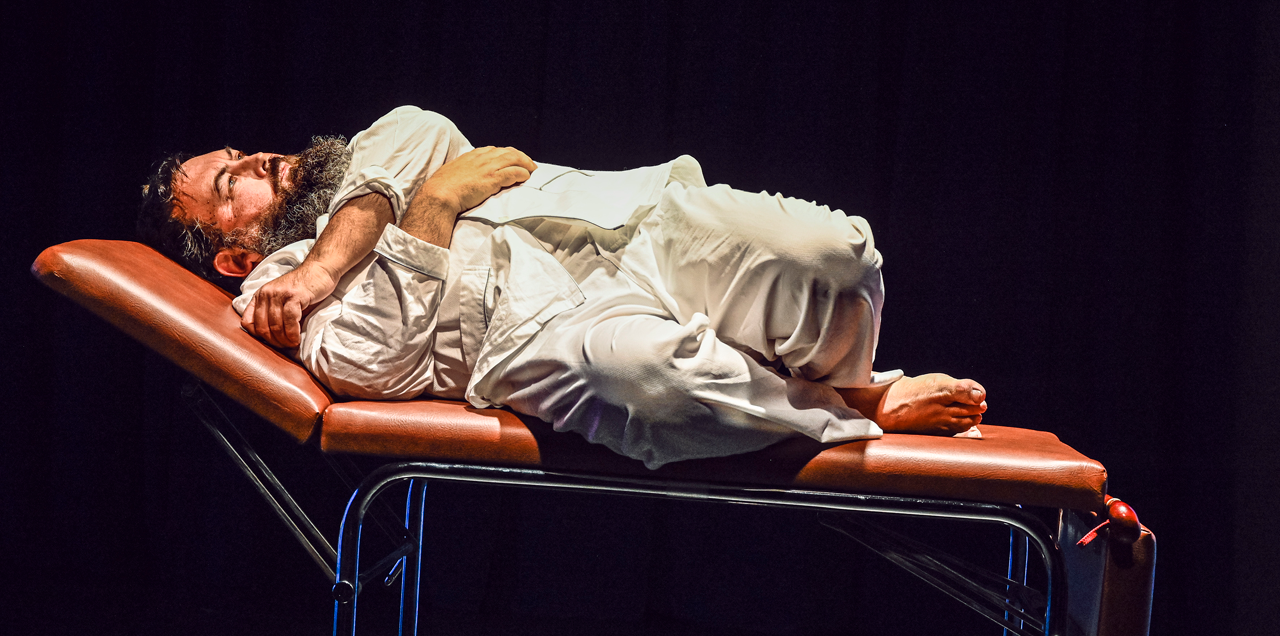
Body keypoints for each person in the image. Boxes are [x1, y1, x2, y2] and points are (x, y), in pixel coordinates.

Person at [138, 106, 987, 468]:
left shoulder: (370, 157)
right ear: (232, 257)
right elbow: (372, 362)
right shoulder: (273, 288)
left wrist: (332, 268)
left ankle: (834, 378)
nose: (256, 160)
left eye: (239, 153)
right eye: (230, 184)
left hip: (623, 225)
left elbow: (422, 126)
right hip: (534, 335)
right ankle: (856, 407)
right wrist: (434, 204)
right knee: (643, 382)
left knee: (832, 258)